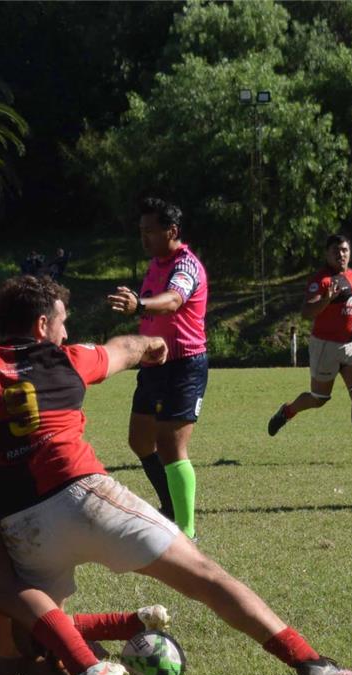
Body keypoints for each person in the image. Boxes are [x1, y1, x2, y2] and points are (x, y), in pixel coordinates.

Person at [0, 274, 352, 675]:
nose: (66, 330)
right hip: (88, 497)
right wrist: (153, 345)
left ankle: (67, 667)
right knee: (206, 577)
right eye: (62, 321)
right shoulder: (66, 357)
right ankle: (308, 661)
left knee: (35, 622)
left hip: (24, 522)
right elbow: (126, 348)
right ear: (42, 326)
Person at [105, 197, 208, 539]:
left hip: (184, 366)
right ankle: (169, 505)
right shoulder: (155, 265)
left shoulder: (186, 266)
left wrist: (139, 305)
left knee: (170, 445)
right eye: (141, 231)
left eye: (150, 231)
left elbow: (174, 300)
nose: (144, 238)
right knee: (139, 440)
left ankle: (187, 530)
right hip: (153, 365)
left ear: (172, 231)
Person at [267, 234, 352, 464]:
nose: (341, 254)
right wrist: (326, 300)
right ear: (327, 254)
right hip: (325, 347)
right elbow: (306, 312)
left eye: (344, 250)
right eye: (336, 251)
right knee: (319, 398)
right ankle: (288, 411)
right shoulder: (320, 280)